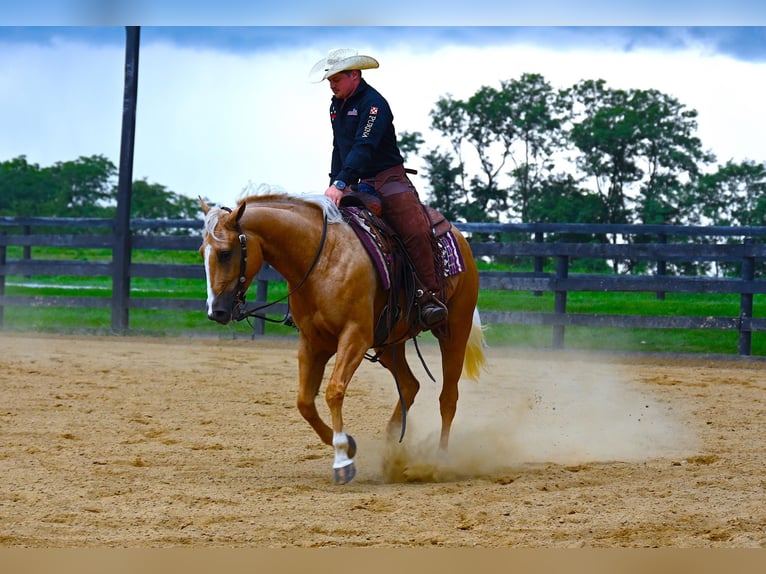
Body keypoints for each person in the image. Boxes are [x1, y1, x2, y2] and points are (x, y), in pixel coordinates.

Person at [309, 48, 448, 329]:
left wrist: (340, 183)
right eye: (329, 80)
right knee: (320, 230)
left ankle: (430, 297)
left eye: (336, 79)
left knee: (415, 230)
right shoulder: (337, 106)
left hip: (389, 180)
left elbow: (364, 147)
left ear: (354, 76)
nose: (331, 85)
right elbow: (340, 147)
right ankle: (314, 301)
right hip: (356, 181)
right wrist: (334, 181)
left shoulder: (374, 105)